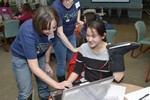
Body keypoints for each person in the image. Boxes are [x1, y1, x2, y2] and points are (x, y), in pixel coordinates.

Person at [11, 6, 72, 100]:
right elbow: (34, 67)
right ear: (38, 25)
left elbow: (48, 44)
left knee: (44, 87)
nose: (52, 31)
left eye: (54, 27)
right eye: (47, 29)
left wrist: (47, 63)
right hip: (21, 58)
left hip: (40, 55)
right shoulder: (27, 31)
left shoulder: (52, 28)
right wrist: (57, 84)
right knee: (25, 93)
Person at [51, 0, 84, 82]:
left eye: (70, 1)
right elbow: (59, 33)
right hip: (59, 37)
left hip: (71, 34)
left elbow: (78, 8)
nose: (68, 3)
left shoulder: (76, 1)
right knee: (61, 62)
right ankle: (62, 85)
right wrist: (73, 48)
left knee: (73, 60)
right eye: (65, 1)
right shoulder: (56, 7)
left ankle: (72, 81)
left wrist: (78, 19)